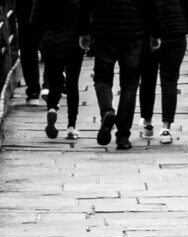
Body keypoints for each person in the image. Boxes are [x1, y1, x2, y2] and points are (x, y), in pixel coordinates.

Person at [78, 0, 160, 150]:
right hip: (134, 32)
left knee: (102, 78)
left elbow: (84, 4)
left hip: (105, 31)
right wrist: (155, 33)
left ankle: (107, 111)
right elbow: (150, 4)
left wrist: (84, 31)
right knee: (130, 85)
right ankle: (122, 136)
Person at [139, 0, 188, 144]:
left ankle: (148, 124)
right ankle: (166, 129)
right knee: (170, 81)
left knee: (147, 79)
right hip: (176, 29)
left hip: (148, 32)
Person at [32, 0, 84, 140]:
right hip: (73, 41)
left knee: (55, 81)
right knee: (73, 84)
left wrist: (41, 40)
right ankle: (71, 127)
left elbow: (35, 21)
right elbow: (84, 14)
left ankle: (52, 109)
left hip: (51, 41)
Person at [15, 0, 42, 103]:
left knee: (28, 49)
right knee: (50, 42)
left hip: (25, 9)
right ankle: (50, 85)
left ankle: (33, 88)